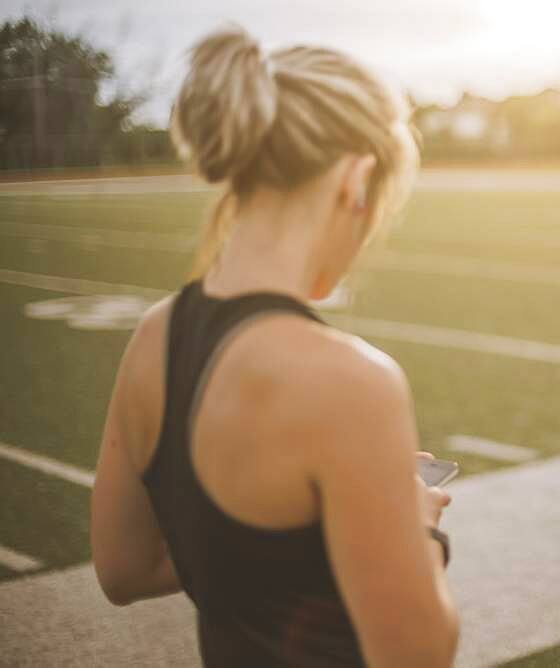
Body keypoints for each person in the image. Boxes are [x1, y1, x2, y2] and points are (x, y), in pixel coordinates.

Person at [90, 26, 458, 667]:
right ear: (356, 179)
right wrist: (414, 526)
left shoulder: (157, 333)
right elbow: (417, 654)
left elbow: (123, 570)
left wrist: (328, 525)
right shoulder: (350, 382)